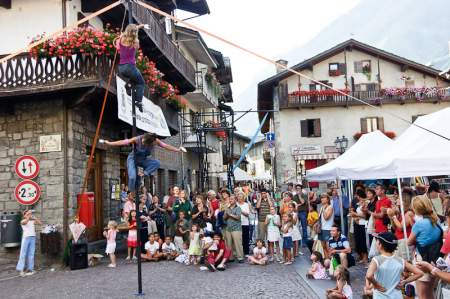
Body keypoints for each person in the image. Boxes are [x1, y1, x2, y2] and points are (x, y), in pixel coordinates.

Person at [103, 133, 185, 193]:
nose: (142, 143)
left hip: (143, 160)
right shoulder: (137, 139)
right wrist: (109, 143)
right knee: (132, 177)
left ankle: (144, 173)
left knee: (157, 163)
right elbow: (123, 142)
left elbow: (166, 146)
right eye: (142, 142)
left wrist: (178, 150)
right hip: (133, 159)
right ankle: (132, 192)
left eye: (144, 143)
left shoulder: (155, 141)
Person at [366, 232, 423, 299]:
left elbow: (369, 275)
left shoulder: (376, 260)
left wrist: (377, 285)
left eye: (377, 241)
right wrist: (405, 281)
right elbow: (420, 273)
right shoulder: (400, 260)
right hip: (397, 296)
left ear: (380, 244)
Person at [408, 195, 443, 299]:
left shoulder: (419, 224)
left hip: (422, 259)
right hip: (434, 259)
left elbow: (409, 242)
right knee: (430, 292)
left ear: (416, 209)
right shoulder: (435, 220)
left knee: (422, 294)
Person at [114, 24, 147, 112]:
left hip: (121, 68)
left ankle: (128, 85)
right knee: (141, 83)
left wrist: (140, 26)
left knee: (135, 77)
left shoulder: (120, 39)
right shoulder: (135, 42)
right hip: (130, 67)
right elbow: (137, 47)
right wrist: (138, 29)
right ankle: (138, 101)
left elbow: (117, 45)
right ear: (135, 32)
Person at [387, 196, 414, 261]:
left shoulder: (408, 213)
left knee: (405, 262)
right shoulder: (401, 213)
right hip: (399, 239)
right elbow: (394, 227)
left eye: (398, 203)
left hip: (405, 240)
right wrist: (392, 216)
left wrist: (393, 217)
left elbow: (401, 228)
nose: (396, 204)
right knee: (399, 262)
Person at [16, 210, 41, 277]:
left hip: (32, 237)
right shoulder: (23, 221)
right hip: (26, 238)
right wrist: (27, 216)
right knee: (23, 254)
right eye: (27, 214)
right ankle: (21, 270)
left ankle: (30, 269)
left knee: (31, 254)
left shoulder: (32, 221)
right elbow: (25, 222)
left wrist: (34, 217)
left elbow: (40, 223)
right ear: (24, 215)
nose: (30, 215)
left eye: (30, 214)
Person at [349, 189, 369, 264]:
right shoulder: (358, 203)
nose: (356, 196)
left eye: (357, 195)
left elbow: (364, 215)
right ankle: (363, 257)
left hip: (363, 224)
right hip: (357, 224)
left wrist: (355, 214)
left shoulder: (366, 202)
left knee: (363, 242)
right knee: (359, 242)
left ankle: (366, 258)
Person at [223, 195, 244, 263]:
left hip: (236, 228)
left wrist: (230, 214)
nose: (230, 200)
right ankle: (230, 257)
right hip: (228, 228)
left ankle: (240, 257)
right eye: (230, 199)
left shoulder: (238, 208)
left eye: (232, 199)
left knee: (238, 244)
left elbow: (238, 217)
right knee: (229, 244)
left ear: (235, 200)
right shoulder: (227, 208)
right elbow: (224, 218)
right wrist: (226, 214)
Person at [319, 193, 334, 258]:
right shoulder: (322, 207)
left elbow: (326, 218)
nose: (322, 199)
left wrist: (324, 209)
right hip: (322, 229)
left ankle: (331, 260)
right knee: (323, 246)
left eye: (324, 197)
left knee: (328, 247)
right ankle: (327, 259)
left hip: (328, 229)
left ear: (328, 199)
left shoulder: (330, 207)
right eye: (321, 198)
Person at [236, 192, 251, 256]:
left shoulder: (246, 204)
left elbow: (247, 214)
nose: (239, 198)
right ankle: (239, 252)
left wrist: (240, 211)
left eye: (241, 196)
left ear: (243, 198)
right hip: (236, 223)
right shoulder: (235, 204)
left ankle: (246, 252)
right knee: (238, 239)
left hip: (245, 223)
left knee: (245, 238)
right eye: (238, 196)